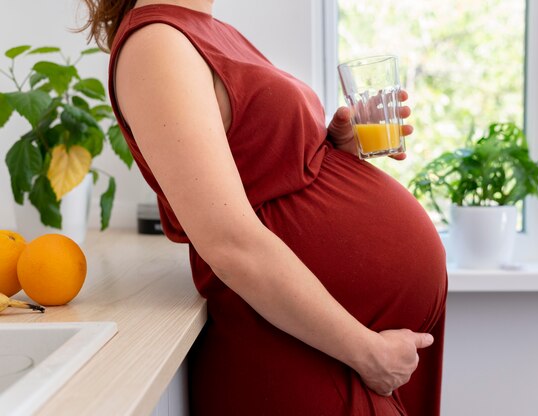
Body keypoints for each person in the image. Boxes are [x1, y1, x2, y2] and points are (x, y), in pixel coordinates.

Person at [79, 0, 448, 414]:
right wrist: (368, 353)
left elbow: (258, 173)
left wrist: (330, 150)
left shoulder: (203, 30)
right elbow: (228, 241)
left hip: (329, 351)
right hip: (305, 359)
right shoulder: (156, 44)